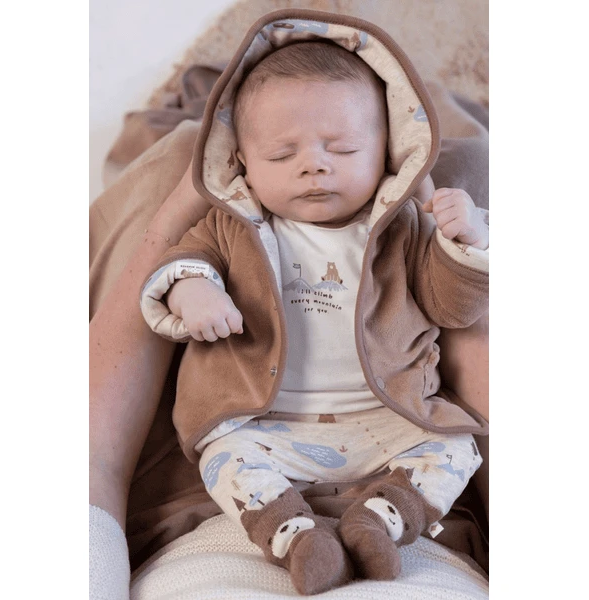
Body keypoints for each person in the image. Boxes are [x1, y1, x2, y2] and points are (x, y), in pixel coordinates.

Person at [139, 36, 489, 596]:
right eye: (283, 156)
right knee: (222, 457)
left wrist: (465, 241)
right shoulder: (234, 227)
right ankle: (296, 536)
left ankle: (381, 518)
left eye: (344, 149)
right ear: (242, 163)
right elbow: (183, 261)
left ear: (386, 152)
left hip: (388, 419)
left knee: (456, 449)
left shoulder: (403, 229)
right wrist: (193, 292)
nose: (315, 166)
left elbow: (452, 306)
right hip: (265, 425)